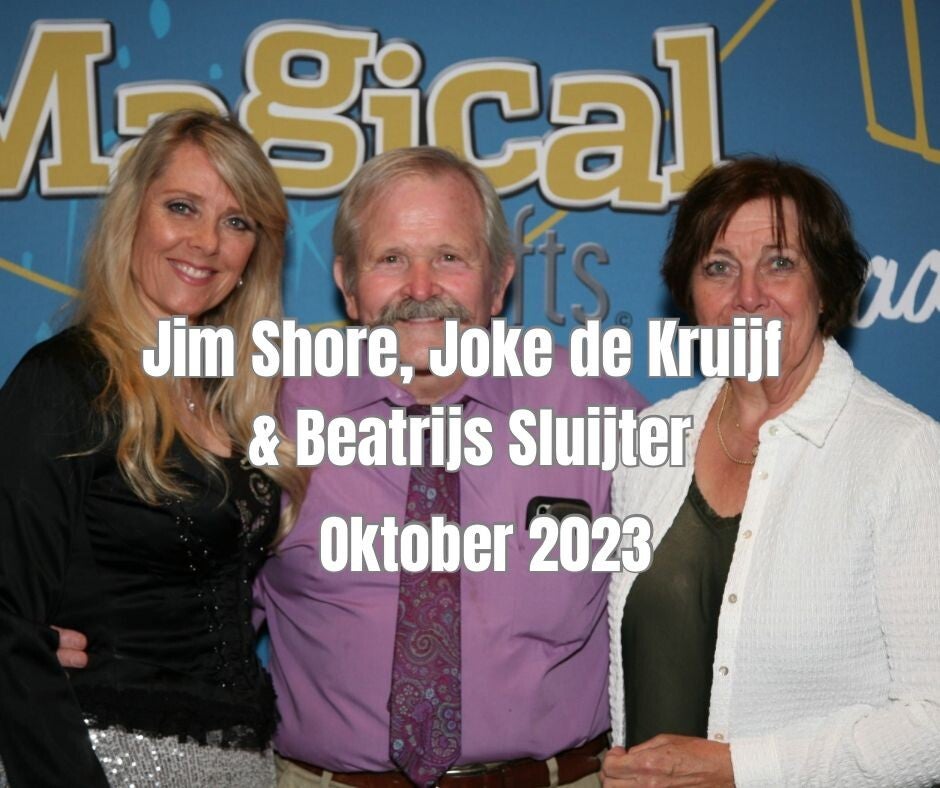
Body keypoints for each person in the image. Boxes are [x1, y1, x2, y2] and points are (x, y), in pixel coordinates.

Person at [255, 146, 647, 787]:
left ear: (498, 282)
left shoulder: (597, 410)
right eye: (390, 259)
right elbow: (190, 616)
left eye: (449, 258)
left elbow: (699, 597)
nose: (420, 289)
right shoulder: (275, 421)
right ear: (348, 286)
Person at [603, 158, 940, 786]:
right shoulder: (651, 437)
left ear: (826, 287)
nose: (748, 295)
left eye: (780, 263)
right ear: (689, 294)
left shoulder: (902, 452)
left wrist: (741, 769)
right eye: (719, 267)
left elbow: (933, 726)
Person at [0, 109, 306, 787]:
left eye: (237, 221)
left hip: (245, 767)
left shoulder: (234, 395)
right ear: (132, 214)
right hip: (99, 759)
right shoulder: (64, 382)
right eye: (182, 207)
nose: (207, 242)